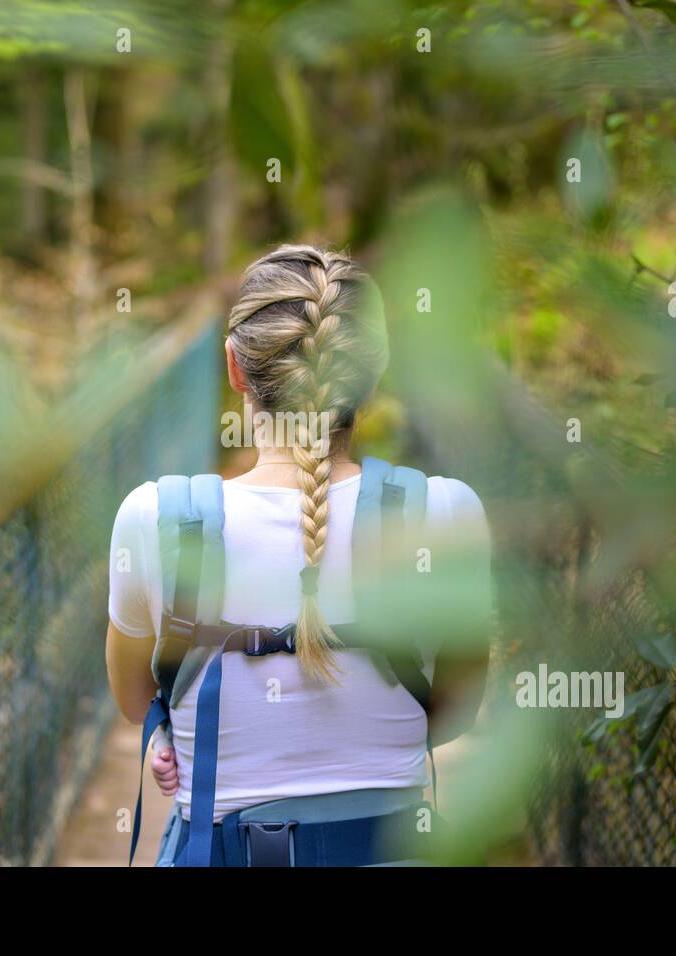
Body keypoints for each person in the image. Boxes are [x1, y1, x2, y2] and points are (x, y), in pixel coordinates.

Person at [105, 244, 492, 866]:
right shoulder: (446, 514)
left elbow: (132, 698)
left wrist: (183, 725)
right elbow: (456, 711)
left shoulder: (156, 520)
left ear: (234, 367)